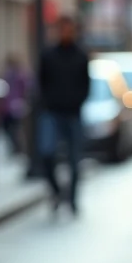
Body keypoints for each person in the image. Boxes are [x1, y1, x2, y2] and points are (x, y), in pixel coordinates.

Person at [38, 15, 89, 215]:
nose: (66, 32)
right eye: (63, 29)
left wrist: (77, 101)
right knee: (46, 153)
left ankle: (73, 199)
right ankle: (57, 192)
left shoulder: (81, 56)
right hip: (52, 113)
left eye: (69, 29)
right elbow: (41, 82)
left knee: (75, 160)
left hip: (74, 114)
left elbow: (86, 85)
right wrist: (48, 101)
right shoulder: (48, 55)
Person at [0, 54, 29, 155]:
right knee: (10, 128)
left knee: (14, 128)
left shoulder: (19, 76)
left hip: (14, 107)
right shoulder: (7, 76)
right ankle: (16, 146)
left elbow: (25, 89)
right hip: (8, 107)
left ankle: (17, 147)